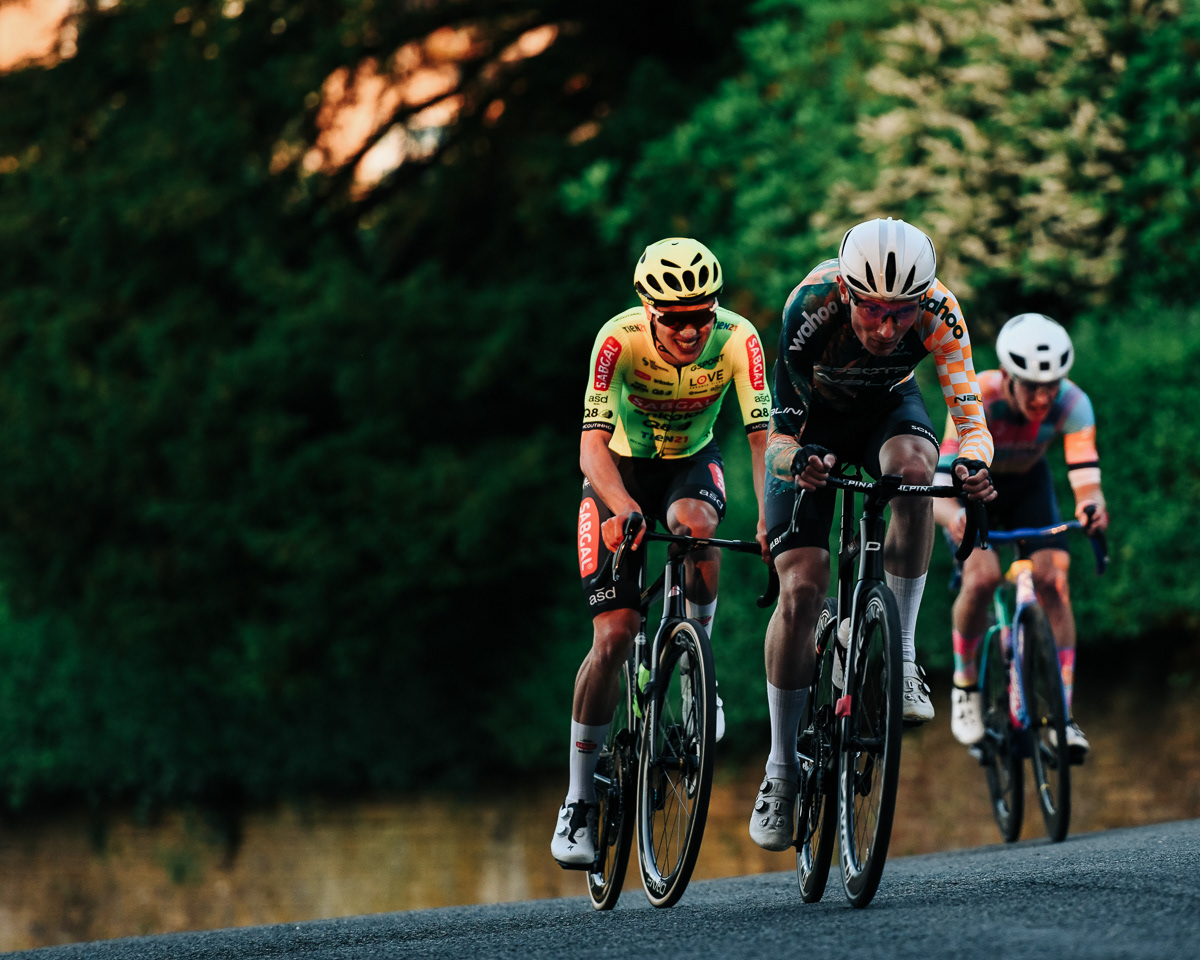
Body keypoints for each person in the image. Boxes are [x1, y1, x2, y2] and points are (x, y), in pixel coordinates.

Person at [748, 217, 996, 852]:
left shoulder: (941, 310)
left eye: (902, 313)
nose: (888, 329)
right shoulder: (809, 306)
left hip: (889, 409)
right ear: (848, 293)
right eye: (874, 312)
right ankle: (781, 769)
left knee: (916, 473)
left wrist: (973, 465)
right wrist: (798, 462)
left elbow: (971, 420)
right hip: (814, 426)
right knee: (802, 589)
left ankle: (903, 657)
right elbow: (779, 438)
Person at [552, 237, 772, 867]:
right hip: (618, 472)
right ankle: (578, 800)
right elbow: (590, 447)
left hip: (691, 464)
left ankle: (700, 678)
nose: (691, 329)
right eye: (675, 318)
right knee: (614, 636)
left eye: (701, 314)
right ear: (650, 311)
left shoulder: (739, 339)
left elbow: (762, 440)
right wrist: (621, 507)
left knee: (697, 529)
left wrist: (770, 518)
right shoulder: (617, 340)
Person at [932, 312, 1108, 758]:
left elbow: (1086, 477)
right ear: (1008, 376)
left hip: (1029, 486)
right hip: (974, 488)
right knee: (982, 578)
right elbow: (940, 485)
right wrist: (953, 517)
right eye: (1031, 386)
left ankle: (1062, 717)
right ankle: (965, 686)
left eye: (1052, 385)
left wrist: (1091, 507)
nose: (1043, 397)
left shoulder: (1074, 404)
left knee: (1054, 582)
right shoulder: (977, 397)